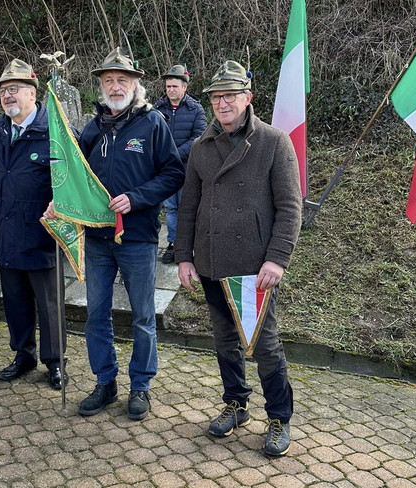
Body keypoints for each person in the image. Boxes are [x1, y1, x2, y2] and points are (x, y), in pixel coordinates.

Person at [174, 60, 302, 456]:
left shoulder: (274, 142)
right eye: (216, 96)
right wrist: (184, 257)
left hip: (254, 268)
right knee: (226, 341)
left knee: (264, 346)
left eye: (230, 95)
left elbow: (290, 207)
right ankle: (236, 404)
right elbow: (188, 206)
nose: (222, 103)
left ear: (248, 98)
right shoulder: (201, 147)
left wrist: (277, 259)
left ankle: (279, 416)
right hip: (212, 262)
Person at [62, 47, 184, 420]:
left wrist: (136, 198)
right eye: (108, 81)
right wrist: (62, 202)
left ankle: (141, 387)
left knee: (144, 317)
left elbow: (173, 173)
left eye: (122, 80)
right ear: (101, 86)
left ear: (135, 84)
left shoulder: (153, 124)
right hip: (97, 239)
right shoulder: (92, 128)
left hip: (137, 238)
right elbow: (74, 175)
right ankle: (105, 382)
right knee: (96, 314)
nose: (115, 87)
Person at [0, 59, 68, 390]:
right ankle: (23, 355)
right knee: (15, 302)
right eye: (3, 91)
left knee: (49, 306)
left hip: (42, 234)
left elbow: (74, 181)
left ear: (33, 93)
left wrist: (60, 207)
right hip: (6, 231)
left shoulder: (56, 132)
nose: (7, 96)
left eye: (14, 89)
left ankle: (55, 361)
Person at [153, 64, 207, 264]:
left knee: (187, 208)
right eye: (168, 86)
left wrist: (174, 154)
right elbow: (150, 134)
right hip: (165, 170)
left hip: (188, 168)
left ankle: (188, 246)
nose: (170, 90)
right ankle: (174, 244)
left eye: (175, 86)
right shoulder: (157, 109)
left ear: (184, 87)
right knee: (171, 208)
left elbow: (199, 138)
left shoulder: (196, 109)